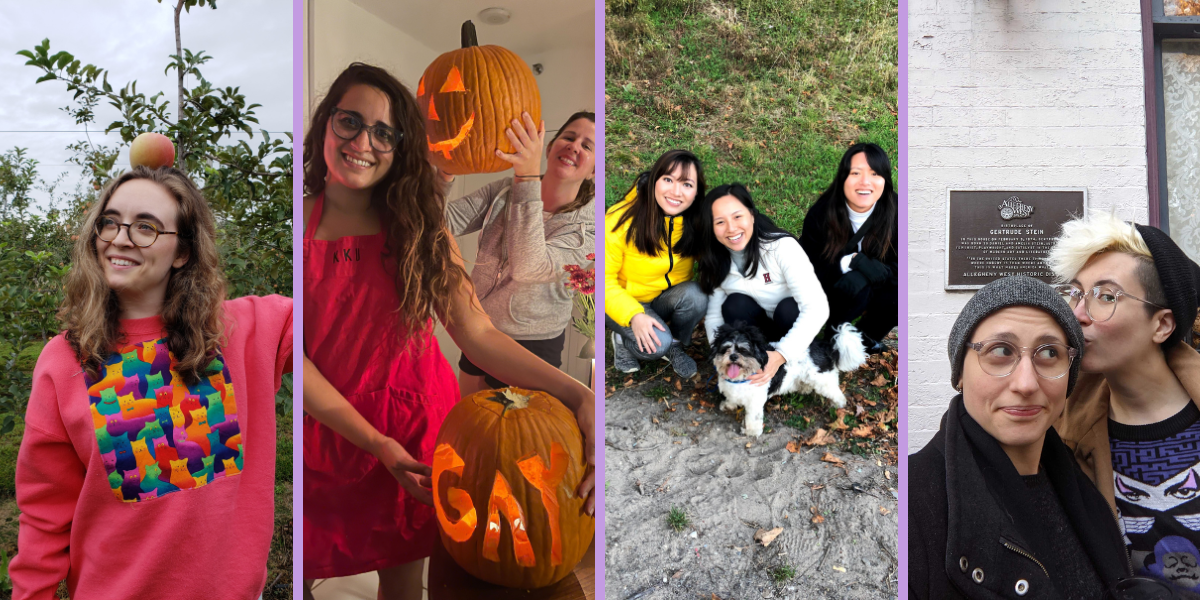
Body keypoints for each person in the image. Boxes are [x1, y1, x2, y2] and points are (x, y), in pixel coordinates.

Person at [301, 63, 595, 599]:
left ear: (399, 146)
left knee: (405, 577)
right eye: (350, 122)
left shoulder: (419, 227)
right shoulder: (294, 227)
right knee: (302, 563)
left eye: (385, 132)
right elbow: (293, 361)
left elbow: (477, 333)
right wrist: (375, 443)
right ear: (325, 123)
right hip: (326, 433)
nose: (363, 141)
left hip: (416, 429)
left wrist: (579, 394)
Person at [9, 167, 293, 600]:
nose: (121, 238)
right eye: (111, 221)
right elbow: (45, 516)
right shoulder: (65, 359)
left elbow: (341, 309)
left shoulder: (244, 331)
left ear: (182, 251)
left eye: (146, 226)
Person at [908, 276, 1130, 599]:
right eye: (1000, 351)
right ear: (959, 374)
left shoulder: (1085, 487)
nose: (1025, 384)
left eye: (1049, 353)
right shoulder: (914, 506)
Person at [1049, 213, 1200, 591]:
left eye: (1105, 296)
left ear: (1162, 325)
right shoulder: (1059, 428)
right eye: (1076, 293)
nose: (1078, 314)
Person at [443, 111, 595, 395]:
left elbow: (529, 267)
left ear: (594, 171)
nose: (575, 146)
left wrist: (526, 178)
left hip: (533, 345)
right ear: (549, 147)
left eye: (587, 146)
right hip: (479, 330)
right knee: (469, 426)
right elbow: (440, 222)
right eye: (569, 136)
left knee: (518, 436)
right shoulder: (504, 191)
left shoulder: (590, 229)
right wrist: (444, 172)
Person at [686, 182, 829, 386]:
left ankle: (792, 363)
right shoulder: (715, 260)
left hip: (790, 324)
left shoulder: (781, 247)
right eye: (720, 222)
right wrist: (720, 360)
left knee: (788, 308)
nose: (731, 228)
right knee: (734, 304)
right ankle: (754, 360)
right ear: (711, 227)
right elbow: (714, 317)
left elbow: (817, 308)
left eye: (737, 217)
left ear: (751, 215)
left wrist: (780, 354)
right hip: (755, 332)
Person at [605, 149, 708, 377]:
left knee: (698, 295)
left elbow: (714, 260)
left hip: (663, 297)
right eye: (668, 180)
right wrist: (634, 315)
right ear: (654, 181)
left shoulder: (696, 221)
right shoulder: (619, 220)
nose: (675, 192)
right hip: (624, 300)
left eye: (686, 184)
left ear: (696, 192)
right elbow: (603, 282)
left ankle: (675, 343)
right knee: (656, 346)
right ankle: (625, 340)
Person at [799, 142, 898, 354]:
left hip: (882, 284)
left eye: (874, 173)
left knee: (902, 294)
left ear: (885, 180)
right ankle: (832, 337)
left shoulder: (898, 211)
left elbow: (909, 265)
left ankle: (864, 338)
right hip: (831, 285)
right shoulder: (821, 214)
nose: (865, 182)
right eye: (856, 173)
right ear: (843, 177)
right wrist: (850, 263)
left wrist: (871, 273)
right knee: (854, 287)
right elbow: (807, 266)